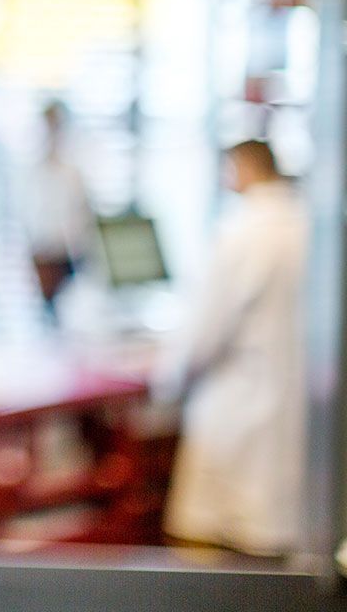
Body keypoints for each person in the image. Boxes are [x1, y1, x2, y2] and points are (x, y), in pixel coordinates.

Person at [159, 139, 308, 556]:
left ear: (241, 167)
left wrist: (167, 381)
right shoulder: (310, 224)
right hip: (294, 410)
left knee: (214, 543)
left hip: (237, 408)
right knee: (274, 543)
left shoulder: (240, 231)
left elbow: (203, 334)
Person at [25, 100, 93, 310]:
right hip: (41, 253)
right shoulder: (32, 173)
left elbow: (81, 219)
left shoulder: (74, 173)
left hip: (69, 256)